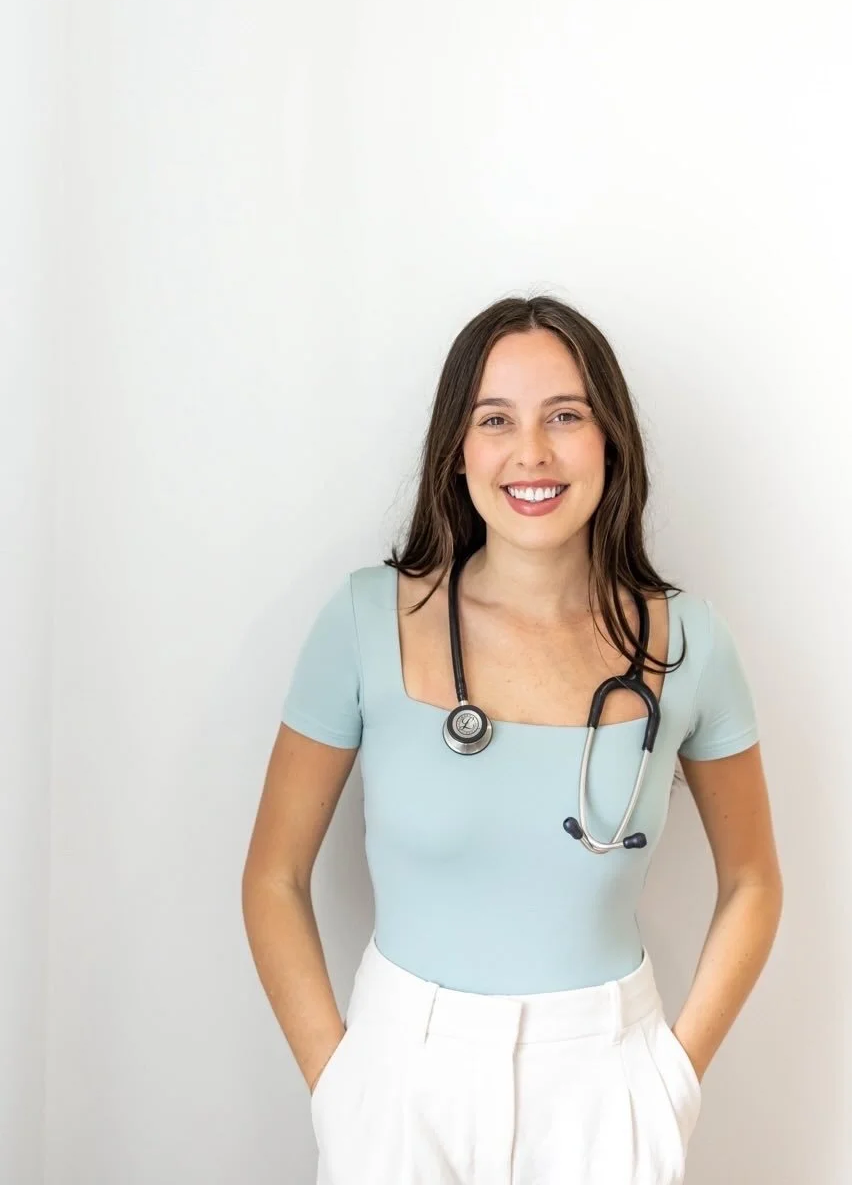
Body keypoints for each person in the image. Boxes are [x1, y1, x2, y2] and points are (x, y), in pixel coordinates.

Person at [242, 294, 783, 1184]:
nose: (531, 452)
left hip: (606, 1088)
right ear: (458, 450)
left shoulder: (688, 645)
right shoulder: (366, 623)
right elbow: (273, 876)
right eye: (496, 420)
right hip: (400, 1082)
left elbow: (755, 881)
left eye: (565, 416)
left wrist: (671, 1079)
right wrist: (339, 1087)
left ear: (610, 439)